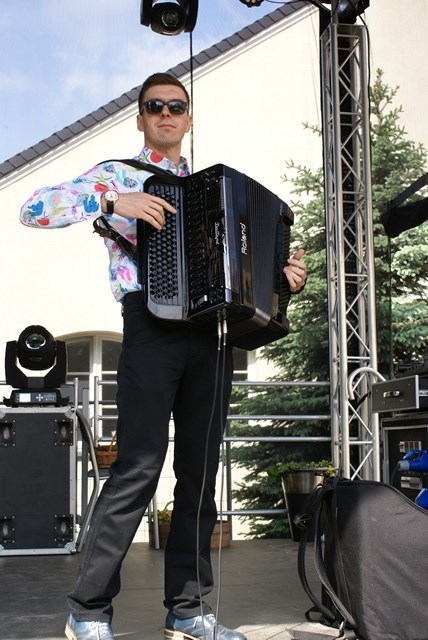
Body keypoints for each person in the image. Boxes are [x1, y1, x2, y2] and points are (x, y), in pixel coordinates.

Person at [20, 72, 307, 640]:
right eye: (155, 106)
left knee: (200, 473)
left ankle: (188, 608)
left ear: (189, 118)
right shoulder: (119, 174)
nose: (167, 113)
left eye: (177, 106)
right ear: (141, 118)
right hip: (151, 327)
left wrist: (283, 280)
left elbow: (244, 271)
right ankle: (87, 610)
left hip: (212, 335)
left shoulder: (217, 190)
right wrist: (111, 199)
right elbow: (32, 209)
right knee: (138, 467)